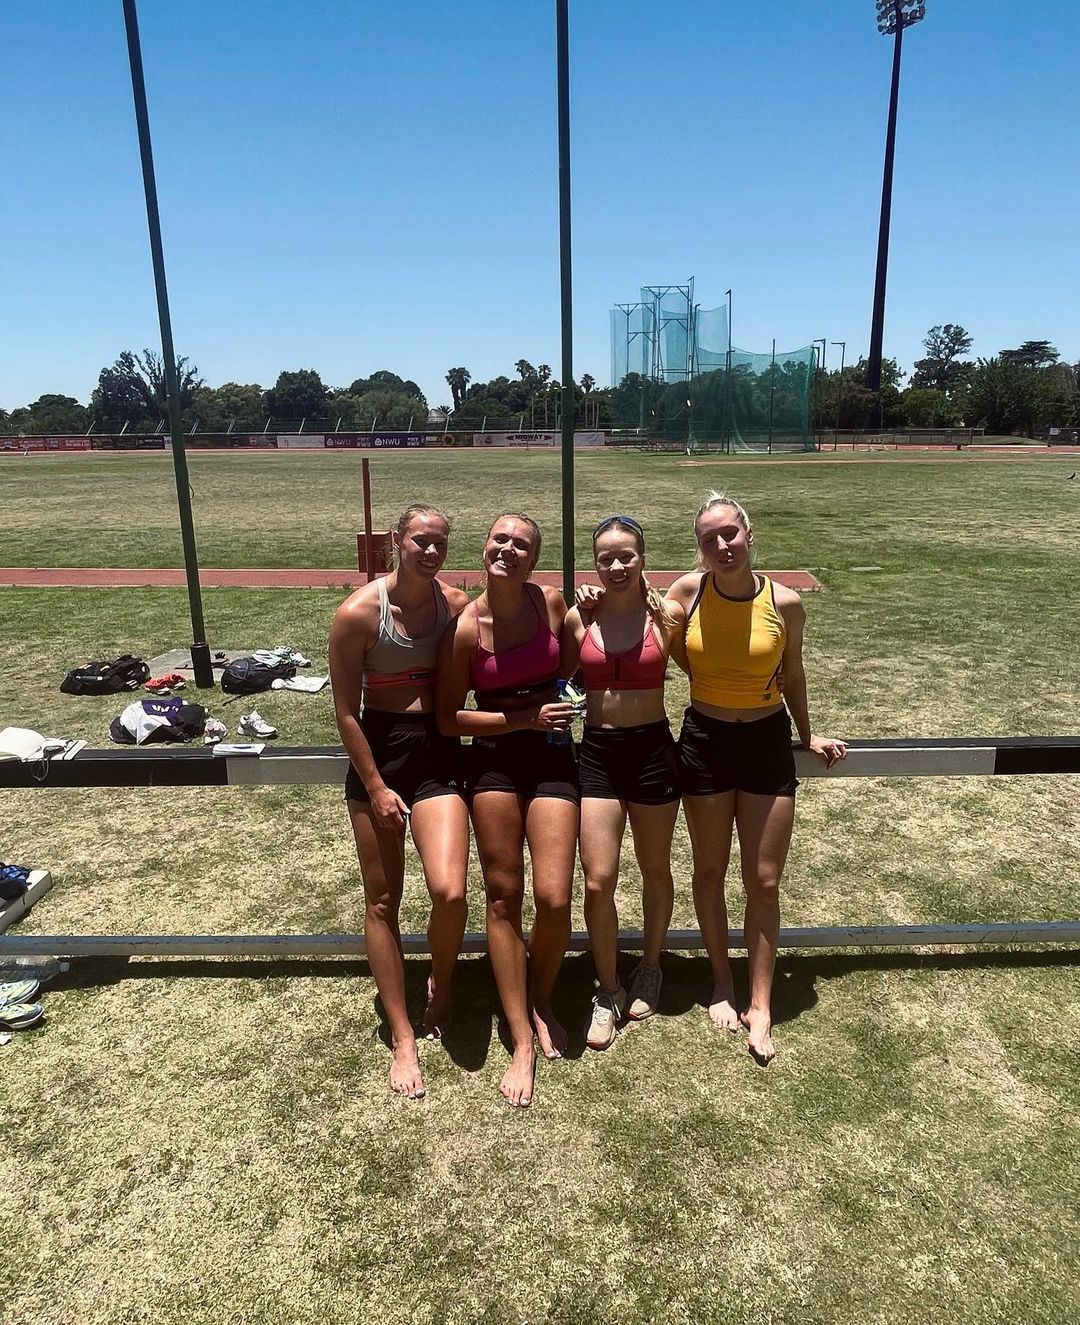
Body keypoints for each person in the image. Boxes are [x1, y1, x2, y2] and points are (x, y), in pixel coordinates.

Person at [666, 492, 847, 1065]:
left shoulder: (786, 602)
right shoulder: (686, 593)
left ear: (749, 534)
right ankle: (722, 981)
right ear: (699, 548)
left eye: (730, 533)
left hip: (767, 741)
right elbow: (667, 648)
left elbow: (793, 674)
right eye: (709, 538)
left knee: (764, 881)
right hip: (704, 741)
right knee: (710, 871)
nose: (722, 545)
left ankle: (761, 1002)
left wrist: (808, 733)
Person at [436, 514, 578, 1108]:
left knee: (555, 898)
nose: (509, 550)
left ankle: (539, 998)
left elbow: (570, 667)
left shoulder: (551, 603)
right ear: (485, 547)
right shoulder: (466, 629)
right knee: (503, 895)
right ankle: (521, 1037)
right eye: (501, 540)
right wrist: (524, 718)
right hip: (494, 757)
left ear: (534, 559)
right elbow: (448, 718)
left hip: (552, 755)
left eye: (522, 545)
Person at [329, 504, 470, 1100]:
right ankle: (403, 1034)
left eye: (440, 542)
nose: (430, 551)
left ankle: (441, 980)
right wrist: (377, 787)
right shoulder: (358, 614)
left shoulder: (456, 605)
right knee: (383, 900)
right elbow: (345, 712)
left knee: (450, 891)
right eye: (420, 540)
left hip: (438, 752)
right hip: (380, 756)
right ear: (396, 540)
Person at [561, 515, 683, 1050]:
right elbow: (561, 680)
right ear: (594, 563)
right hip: (599, 753)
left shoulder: (666, 615)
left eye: (626, 556)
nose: (616, 566)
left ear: (642, 559)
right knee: (598, 880)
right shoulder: (579, 616)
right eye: (605, 558)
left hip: (653, 750)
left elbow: (704, 666)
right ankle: (607, 988)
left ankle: (650, 967)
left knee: (655, 868)